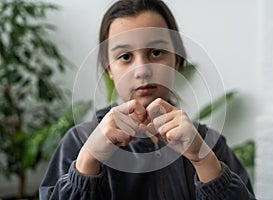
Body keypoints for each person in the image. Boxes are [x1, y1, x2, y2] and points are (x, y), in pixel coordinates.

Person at [39, 0, 256, 199]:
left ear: (177, 60)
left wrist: (203, 161)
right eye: (125, 57)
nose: (142, 70)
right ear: (109, 68)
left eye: (156, 52)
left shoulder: (211, 145)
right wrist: (88, 161)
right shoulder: (77, 143)